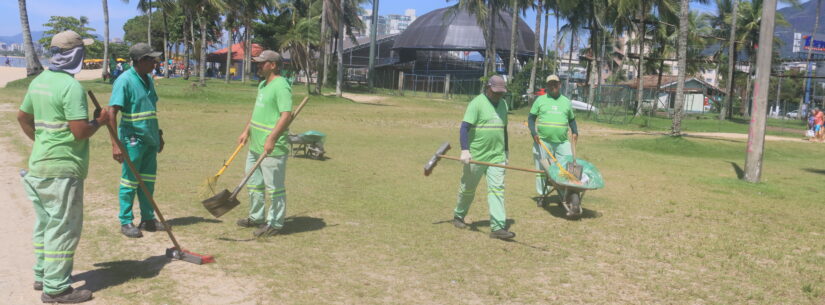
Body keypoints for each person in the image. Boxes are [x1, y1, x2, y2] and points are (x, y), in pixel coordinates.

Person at [17, 30, 107, 303]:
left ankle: (43, 274)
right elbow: (80, 131)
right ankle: (56, 289)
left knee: (46, 224)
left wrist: (43, 142)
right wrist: (100, 122)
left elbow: (22, 117)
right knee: (63, 228)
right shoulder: (70, 87)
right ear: (76, 54)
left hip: (39, 166)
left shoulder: (40, 81)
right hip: (62, 170)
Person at [107, 43, 166, 238]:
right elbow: (111, 113)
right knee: (130, 181)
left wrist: (158, 135)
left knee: (148, 181)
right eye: (151, 59)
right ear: (141, 61)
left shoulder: (148, 79)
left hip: (150, 139)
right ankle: (126, 221)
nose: (155, 62)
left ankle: (148, 219)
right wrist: (116, 144)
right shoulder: (124, 81)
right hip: (132, 139)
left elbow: (150, 110)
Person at [235, 50, 293, 238]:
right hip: (255, 144)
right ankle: (256, 216)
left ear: (273, 65)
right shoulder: (262, 84)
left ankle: (275, 223)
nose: (258, 65)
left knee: (274, 188)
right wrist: (246, 130)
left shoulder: (281, 86)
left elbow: (286, 115)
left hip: (272, 147)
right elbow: (256, 113)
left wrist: (272, 139)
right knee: (254, 184)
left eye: (262, 63)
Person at [450, 75, 514, 240]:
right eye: (496, 92)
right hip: (476, 156)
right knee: (468, 189)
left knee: (497, 190)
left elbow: (503, 129)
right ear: (488, 88)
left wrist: (506, 151)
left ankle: (498, 227)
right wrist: (465, 150)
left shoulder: (504, 105)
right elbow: (464, 128)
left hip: (497, 156)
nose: (499, 96)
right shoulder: (477, 103)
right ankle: (458, 215)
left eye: (501, 93)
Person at [528, 75, 578, 207]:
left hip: (562, 142)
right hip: (543, 142)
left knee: (566, 168)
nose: (553, 86)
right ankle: (542, 195)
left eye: (555, 83)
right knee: (543, 170)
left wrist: (575, 131)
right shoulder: (540, 100)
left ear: (560, 84)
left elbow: (572, 120)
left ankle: (565, 194)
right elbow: (531, 118)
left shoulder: (566, 101)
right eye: (550, 84)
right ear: (547, 86)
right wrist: (534, 133)